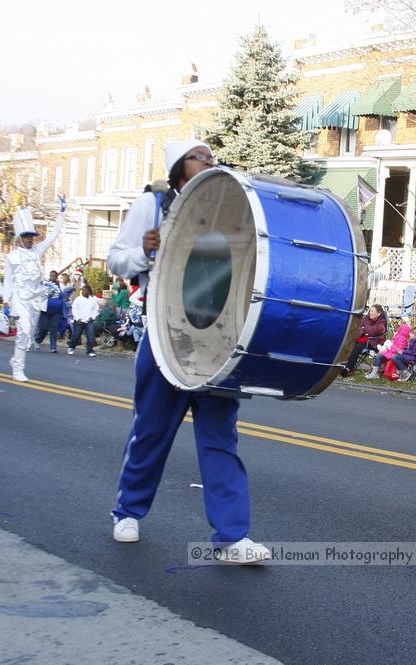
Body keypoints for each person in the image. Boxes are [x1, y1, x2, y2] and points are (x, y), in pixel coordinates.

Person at [106, 138, 270, 563]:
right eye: (201, 157)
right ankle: (127, 512)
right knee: (153, 430)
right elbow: (116, 260)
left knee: (220, 439)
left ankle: (232, 537)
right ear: (180, 166)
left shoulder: (233, 208)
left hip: (219, 342)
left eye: (212, 158)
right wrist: (144, 250)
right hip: (166, 338)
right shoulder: (155, 204)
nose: (210, 163)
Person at [3, 199, 65, 382]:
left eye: (31, 236)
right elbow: (8, 280)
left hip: (35, 300)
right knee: (23, 331)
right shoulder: (12, 257)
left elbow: (53, 235)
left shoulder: (38, 251)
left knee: (29, 334)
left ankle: (16, 360)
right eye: (26, 236)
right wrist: (6, 302)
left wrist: (61, 213)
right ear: (20, 238)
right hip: (20, 299)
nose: (29, 239)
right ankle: (18, 369)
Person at [341, 304, 387, 376]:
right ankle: (344, 362)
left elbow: (375, 330)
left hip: (374, 342)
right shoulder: (366, 318)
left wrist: (364, 328)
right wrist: (365, 330)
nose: (370, 312)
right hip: (363, 339)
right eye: (370, 311)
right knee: (349, 343)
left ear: (379, 313)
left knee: (356, 348)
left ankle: (348, 368)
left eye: (372, 311)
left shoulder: (382, 322)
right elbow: (359, 328)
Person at [34, 270, 64, 353]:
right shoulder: (45, 284)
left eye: (54, 276)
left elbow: (62, 296)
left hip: (56, 312)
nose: (52, 277)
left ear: (56, 277)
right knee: (43, 328)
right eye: (51, 275)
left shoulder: (60, 285)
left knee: (54, 328)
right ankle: (37, 340)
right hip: (45, 310)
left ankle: (53, 347)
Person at [68, 284, 99, 356]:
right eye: (82, 290)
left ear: (89, 291)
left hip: (89, 321)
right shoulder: (78, 299)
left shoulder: (93, 300)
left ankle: (90, 350)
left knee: (91, 336)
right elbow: (74, 309)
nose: (83, 292)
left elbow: (96, 309)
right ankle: (71, 347)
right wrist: (77, 318)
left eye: (85, 290)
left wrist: (93, 317)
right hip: (79, 320)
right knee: (76, 335)